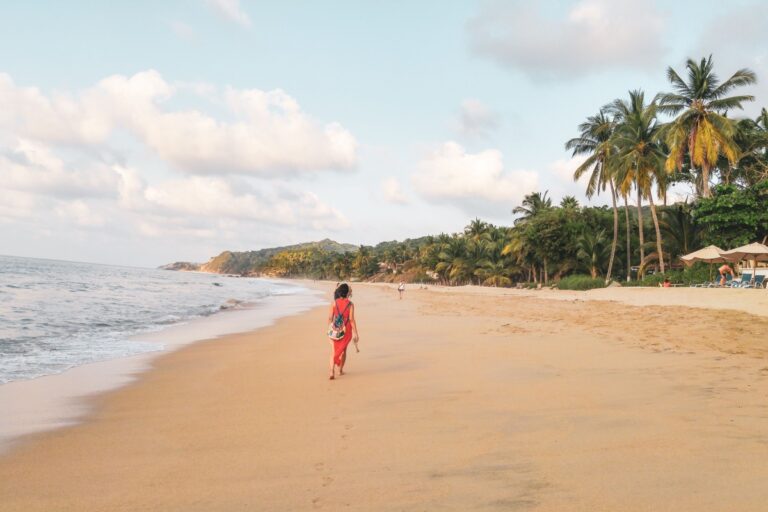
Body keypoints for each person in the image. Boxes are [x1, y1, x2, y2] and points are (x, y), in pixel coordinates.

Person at [327, 283, 359, 380]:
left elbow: (330, 318)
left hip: (335, 329)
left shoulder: (334, 302)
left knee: (334, 351)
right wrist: (356, 332)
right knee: (343, 350)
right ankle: (340, 370)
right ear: (347, 293)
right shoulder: (350, 304)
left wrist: (330, 328)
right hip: (346, 330)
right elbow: (351, 320)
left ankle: (331, 371)